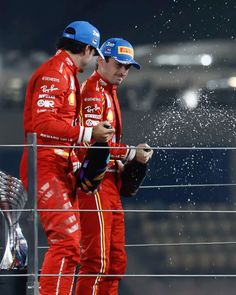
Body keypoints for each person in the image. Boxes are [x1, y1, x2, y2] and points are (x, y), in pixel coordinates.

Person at [20, 21, 114, 295]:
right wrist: (88, 133)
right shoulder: (55, 72)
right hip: (45, 166)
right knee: (67, 242)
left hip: (57, 165)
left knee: (71, 244)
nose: (95, 58)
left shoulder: (64, 72)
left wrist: (77, 162)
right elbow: (41, 125)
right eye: (95, 53)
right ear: (87, 49)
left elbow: (57, 131)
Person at [76, 38, 153, 294]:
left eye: (128, 67)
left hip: (109, 180)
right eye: (118, 64)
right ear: (100, 61)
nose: (123, 72)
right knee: (97, 261)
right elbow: (97, 141)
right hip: (94, 184)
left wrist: (122, 159)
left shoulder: (109, 91)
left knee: (116, 262)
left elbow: (107, 143)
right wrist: (131, 153)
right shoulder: (93, 92)